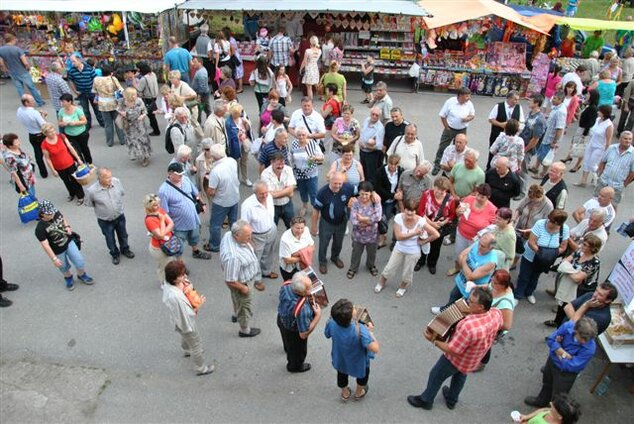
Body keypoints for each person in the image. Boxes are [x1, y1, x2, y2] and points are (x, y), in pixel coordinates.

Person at [408, 288, 502, 411]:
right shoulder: (496, 313)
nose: (467, 302)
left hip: (456, 359)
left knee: (436, 375)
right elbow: (500, 328)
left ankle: (426, 400)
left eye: (471, 302)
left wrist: (433, 340)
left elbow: (453, 350)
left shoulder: (468, 327)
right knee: (461, 376)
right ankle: (452, 400)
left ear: (480, 307)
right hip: (473, 358)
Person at [524, 317, 597, 408]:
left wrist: (558, 350)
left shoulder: (590, 348)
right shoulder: (568, 326)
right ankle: (542, 400)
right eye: (582, 338)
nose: (584, 341)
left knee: (559, 396)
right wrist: (565, 354)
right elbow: (550, 340)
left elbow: (571, 366)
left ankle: (553, 413)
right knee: (547, 383)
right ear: (576, 330)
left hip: (566, 374)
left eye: (587, 339)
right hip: (552, 362)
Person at [375, 199, 439, 297]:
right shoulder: (398, 218)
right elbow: (399, 237)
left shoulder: (421, 221)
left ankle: (402, 287)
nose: (409, 215)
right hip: (399, 248)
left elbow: (436, 234)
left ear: (415, 212)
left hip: (413, 251)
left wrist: (423, 242)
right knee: (389, 268)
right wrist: (415, 233)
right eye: (407, 211)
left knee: (407, 273)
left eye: (412, 213)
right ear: (404, 209)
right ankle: (381, 283)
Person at [161, 260, 215, 376]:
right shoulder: (175, 297)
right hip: (186, 323)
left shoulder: (171, 283)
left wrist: (188, 287)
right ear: (175, 279)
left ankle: (186, 350)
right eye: (181, 274)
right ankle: (201, 368)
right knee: (196, 344)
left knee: (185, 336)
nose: (185, 276)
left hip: (180, 322)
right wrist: (197, 306)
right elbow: (185, 314)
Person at [325, 299, 380, 401]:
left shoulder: (332, 323)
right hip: (359, 361)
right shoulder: (361, 329)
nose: (355, 308)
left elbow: (327, 334)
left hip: (340, 358)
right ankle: (359, 393)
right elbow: (375, 349)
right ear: (351, 318)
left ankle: (345, 393)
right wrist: (371, 333)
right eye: (354, 309)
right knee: (362, 376)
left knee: (341, 375)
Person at [35, 200, 94, 291]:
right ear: (42, 214)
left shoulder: (55, 212)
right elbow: (45, 245)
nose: (53, 215)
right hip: (57, 250)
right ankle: (68, 277)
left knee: (79, 261)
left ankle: (81, 275)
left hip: (69, 242)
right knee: (63, 266)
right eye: (49, 214)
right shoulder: (40, 228)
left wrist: (67, 227)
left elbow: (62, 218)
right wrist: (54, 259)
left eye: (53, 212)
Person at [546, 234, 602, 328]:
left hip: (579, 290)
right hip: (568, 284)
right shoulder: (579, 252)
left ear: (592, 248)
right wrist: (573, 272)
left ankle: (562, 329)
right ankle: (557, 321)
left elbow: (577, 278)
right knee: (562, 305)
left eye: (585, 245)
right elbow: (564, 262)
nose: (581, 246)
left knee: (570, 309)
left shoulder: (594, 262)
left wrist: (567, 269)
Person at [514, 209, 570, 304]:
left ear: (559, 223)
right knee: (524, 275)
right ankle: (518, 294)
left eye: (554, 223)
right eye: (550, 220)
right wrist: (541, 254)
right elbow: (532, 242)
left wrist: (550, 255)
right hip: (531, 255)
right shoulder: (540, 224)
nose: (550, 223)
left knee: (535, 276)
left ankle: (529, 293)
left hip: (545, 260)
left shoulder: (564, 229)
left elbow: (563, 246)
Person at [158, 162, 210, 260]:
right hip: (179, 225)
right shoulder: (163, 191)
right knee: (179, 247)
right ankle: (180, 264)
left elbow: (195, 194)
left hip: (193, 219)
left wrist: (202, 204)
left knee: (194, 237)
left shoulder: (185, 179)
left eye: (182, 173)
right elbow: (164, 212)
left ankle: (195, 251)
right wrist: (168, 228)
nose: (181, 176)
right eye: (179, 175)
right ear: (170, 174)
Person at [219, 220, 261, 338]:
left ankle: (235, 314)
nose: (250, 238)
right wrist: (244, 288)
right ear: (237, 235)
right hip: (241, 282)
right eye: (248, 236)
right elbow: (230, 280)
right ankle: (244, 330)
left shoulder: (229, 235)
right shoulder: (234, 257)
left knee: (235, 298)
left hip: (239, 277)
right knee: (244, 306)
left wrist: (248, 243)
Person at [84, 168, 134, 265]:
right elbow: (90, 204)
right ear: (99, 178)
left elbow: (122, 193)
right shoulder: (92, 191)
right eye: (107, 178)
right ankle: (115, 254)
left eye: (110, 176)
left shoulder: (116, 181)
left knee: (123, 235)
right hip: (105, 221)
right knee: (110, 239)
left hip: (120, 216)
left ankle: (125, 249)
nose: (110, 179)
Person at [447, 184, 497, 276]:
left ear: (488, 197)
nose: (478, 198)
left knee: (472, 257)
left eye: (482, 197)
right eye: (477, 194)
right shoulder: (469, 199)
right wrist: (458, 212)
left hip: (476, 240)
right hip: (462, 233)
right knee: (459, 253)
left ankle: (467, 273)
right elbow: (457, 212)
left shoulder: (492, 209)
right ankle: (457, 268)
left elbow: (493, 227)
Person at [277, 271, 322, 373]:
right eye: (310, 288)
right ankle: (295, 367)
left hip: (281, 319)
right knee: (297, 352)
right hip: (294, 331)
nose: (312, 290)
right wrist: (317, 316)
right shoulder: (303, 309)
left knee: (286, 340)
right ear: (301, 292)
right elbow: (303, 334)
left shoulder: (287, 285)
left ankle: (287, 349)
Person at [311, 172, 355, 274]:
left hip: (341, 222)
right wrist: (314, 227)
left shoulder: (347, 187)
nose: (338, 186)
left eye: (340, 183)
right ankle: (322, 262)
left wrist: (373, 193)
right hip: (326, 222)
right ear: (330, 181)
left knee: (338, 242)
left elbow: (361, 190)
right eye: (335, 183)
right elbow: (315, 211)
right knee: (323, 244)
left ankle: (335, 258)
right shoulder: (322, 193)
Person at [241, 181, 279, 291]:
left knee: (269, 252)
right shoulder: (247, 205)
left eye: (266, 192)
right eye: (261, 193)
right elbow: (244, 225)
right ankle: (257, 279)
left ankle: (266, 271)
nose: (265, 195)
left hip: (271, 230)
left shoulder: (269, 197)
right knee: (255, 258)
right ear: (255, 193)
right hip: (256, 236)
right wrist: (249, 241)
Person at [416, 176, 456, 274]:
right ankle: (420, 261)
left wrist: (443, 223)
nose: (439, 192)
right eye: (438, 188)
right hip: (425, 225)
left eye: (443, 190)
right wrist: (431, 224)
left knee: (436, 247)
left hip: (439, 227)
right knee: (423, 242)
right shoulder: (426, 194)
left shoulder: (450, 199)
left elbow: (452, 215)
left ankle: (432, 263)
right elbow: (420, 211)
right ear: (434, 186)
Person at [477, 269, 515, 371]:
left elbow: (507, 325)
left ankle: (482, 364)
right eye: (492, 280)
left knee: (486, 345)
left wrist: (490, 323)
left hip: (493, 328)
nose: (492, 284)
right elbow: (488, 287)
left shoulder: (506, 302)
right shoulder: (495, 286)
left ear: (503, 286)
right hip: (486, 320)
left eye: (495, 283)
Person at [205, 144, 240, 252]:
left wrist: (207, 181)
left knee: (215, 225)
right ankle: (236, 242)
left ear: (214, 157)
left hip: (221, 201)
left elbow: (211, 191)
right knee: (233, 223)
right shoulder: (232, 161)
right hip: (234, 197)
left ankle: (214, 245)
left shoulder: (216, 171)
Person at [432, 88, 476, 175]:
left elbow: (472, 115)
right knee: (443, 147)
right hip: (450, 129)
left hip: (462, 130)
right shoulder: (450, 102)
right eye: (467, 96)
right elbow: (442, 115)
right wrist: (446, 127)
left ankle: (457, 165)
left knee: (460, 148)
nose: (469, 98)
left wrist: (468, 119)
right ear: (460, 96)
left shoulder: (469, 104)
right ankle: (438, 165)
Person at [40, 123, 85, 205]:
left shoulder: (61, 137)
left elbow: (70, 148)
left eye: (53, 130)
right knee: (66, 181)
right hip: (58, 166)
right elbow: (47, 158)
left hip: (70, 163)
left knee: (75, 180)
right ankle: (72, 193)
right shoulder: (44, 144)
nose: (53, 133)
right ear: (45, 133)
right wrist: (53, 170)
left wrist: (78, 159)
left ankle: (80, 196)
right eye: (50, 132)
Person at [512, 184, 555, 269]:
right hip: (521, 227)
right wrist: (513, 220)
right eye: (532, 199)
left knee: (526, 249)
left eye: (536, 200)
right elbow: (519, 209)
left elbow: (547, 224)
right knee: (517, 245)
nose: (533, 201)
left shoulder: (548, 206)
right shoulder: (528, 198)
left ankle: (524, 265)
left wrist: (532, 230)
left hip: (533, 232)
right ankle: (514, 262)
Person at [347, 181, 382, 279]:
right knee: (356, 253)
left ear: (371, 193)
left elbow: (378, 217)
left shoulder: (376, 202)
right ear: (358, 192)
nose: (364, 197)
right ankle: (353, 268)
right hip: (358, 235)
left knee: (372, 253)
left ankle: (371, 266)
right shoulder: (355, 203)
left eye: (366, 194)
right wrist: (369, 220)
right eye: (362, 194)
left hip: (373, 235)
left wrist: (363, 219)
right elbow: (353, 219)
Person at [575, 105, 615, 187]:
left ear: (604, 113)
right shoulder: (597, 120)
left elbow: (608, 141)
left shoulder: (609, 125)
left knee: (592, 164)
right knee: (586, 161)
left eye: (599, 111)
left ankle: (602, 177)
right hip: (591, 144)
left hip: (600, 147)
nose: (598, 112)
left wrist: (607, 153)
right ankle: (583, 180)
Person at [0, 33, 45, 106]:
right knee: (31, 87)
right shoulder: (17, 49)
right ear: (12, 40)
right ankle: (39, 102)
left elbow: (1, 62)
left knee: (20, 89)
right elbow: (25, 62)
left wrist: (5, 68)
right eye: (15, 39)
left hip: (12, 72)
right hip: (22, 71)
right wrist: (28, 67)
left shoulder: (1, 49)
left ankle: (25, 104)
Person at [530, 92, 567, 178]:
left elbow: (559, 128)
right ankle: (535, 167)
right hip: (546, 135)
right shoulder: (556, 108)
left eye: (554, 98)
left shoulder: (561, 112)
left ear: (560, 100)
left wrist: (555, 141)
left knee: (546, 157)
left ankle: (543, 173)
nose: (552, 100)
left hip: (551, 138)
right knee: (540, 152)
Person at [519, 95, 547, 197]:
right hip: (522, 144)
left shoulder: (539, 120)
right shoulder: (530, 114)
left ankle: (522, 192)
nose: (528, 102)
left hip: (528, 148)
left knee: (523, 170)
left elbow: (535, 139)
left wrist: (526, 149)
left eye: (531, 100)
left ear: (536, 103)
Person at [143, 193, 176, 284]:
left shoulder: (160, 210)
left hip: (167, 242)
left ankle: (167, 280)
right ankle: (164, 282)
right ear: (149, 206)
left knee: (168, 263)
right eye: (155, 205)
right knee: (164, 266)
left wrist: (163, 233)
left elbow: (171, 223)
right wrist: (162, 221)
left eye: (158, 204)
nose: (158, 206)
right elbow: (160, 235)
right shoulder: (149, 220)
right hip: (159, 248)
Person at [487, 91, 524, 168]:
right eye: (515, 99)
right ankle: (490, 169)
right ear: (509, 98)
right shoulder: (498, 106)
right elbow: (491, 119)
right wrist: (501, 124)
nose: (517, 101)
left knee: (509, 155)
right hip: (497, 134)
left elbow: (521, 121)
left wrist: (516, 127)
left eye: (518, 100)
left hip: (512, 136)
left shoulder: (519, 107)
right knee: (493, 152)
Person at [596, 131, 634, 206]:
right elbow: (603, 161)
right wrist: (600, 174)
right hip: (603, 182)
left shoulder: (633, 153)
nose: (628, 141)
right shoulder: (611, 148)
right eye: (625, 138)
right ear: (620, 139)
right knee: (597, 201)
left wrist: (625, 183)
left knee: (613, 205)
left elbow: (633, 172)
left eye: (630, 139)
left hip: (617, 186)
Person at [93, 64, 126, 147]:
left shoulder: (96, 79)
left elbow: (94, 91)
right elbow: (121, 90)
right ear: (111, 72)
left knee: (108, 124)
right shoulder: (113, 79)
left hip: (102, 104)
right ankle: (122, 140)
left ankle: (110, 142)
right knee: (118, 122)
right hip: (114, 103)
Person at [375, 154, 404, 248]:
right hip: (381, 199)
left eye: (395, 164)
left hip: (392, 202)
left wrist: (399, 193)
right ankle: (381, 237)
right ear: (387, 162)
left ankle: (383, 237)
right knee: (380, 218)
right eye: (391, 164)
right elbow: (378, 188)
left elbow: (401, 185)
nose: (392, 166)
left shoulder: (401, 172)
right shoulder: (380, 171)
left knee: (385, 219)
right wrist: (392, 195)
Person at [117, 87, 152, 167]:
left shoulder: (139, 101)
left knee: (142, 141)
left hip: (139, 125)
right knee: (133, 141)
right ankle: (137, 154)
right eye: (134, 94)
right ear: (130, 95)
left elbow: (145, 111)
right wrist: (122, 113)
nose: (136, 95)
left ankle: (145, 157)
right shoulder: (122, 102)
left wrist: (142, 116)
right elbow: (118, 109)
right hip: (128, 125)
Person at [261, 152, 297, 229]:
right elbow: (269, 194)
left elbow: (291, 190)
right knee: (271, 229)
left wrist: (275, 194)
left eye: (282, 164)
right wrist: (287, 192)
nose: (281, 167)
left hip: (287, 204)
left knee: (292, 227)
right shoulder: (265, 174)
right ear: (272, 162)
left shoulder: (288, 169)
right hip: (272, 205)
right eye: (278, 165)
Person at [67, 53, 103, 128]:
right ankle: (88, 125)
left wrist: (96, 91)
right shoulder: (72, 71)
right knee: (85, 110)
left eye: (74, 61)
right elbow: (70, 80)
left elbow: (95, 79)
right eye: (71, 62)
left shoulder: (88, 68)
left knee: (97, 108)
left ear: (79, 60)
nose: (72, 63)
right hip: (81, 93)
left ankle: (102, 123)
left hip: (91, 92)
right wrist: (75, 91)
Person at [16, 94, 47, 177]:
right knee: (50, 151)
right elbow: (44, 125)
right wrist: (43, 115)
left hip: (31, 134)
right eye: (32, 101)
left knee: (38, 154)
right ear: (26, 103)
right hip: (41, 134)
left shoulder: (19, 110)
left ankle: (43, 173)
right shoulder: (34, 113)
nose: (34, 102)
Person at [278, 217, 314, 281]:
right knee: (291, 286)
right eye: (297, 228)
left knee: (304, 284)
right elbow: (287, 260)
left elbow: (312, 247)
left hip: (303, 266)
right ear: (291, 226)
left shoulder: (306, 230)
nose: (300, 231)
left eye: (302, 228)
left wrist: (297, 254)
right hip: (290, 270)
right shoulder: (285, 239)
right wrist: (304, 257)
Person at [58, 93, 90, 165]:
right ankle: (81, 163)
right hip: (70, 134)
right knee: (76, 150)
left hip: (81, 133)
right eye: (61, 101)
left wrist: (75, 123)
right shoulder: (61, 111)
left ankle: (89, 162)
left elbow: (84, 121)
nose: (61, 103)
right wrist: (63, 124)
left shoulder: (78, 110)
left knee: (84, 148)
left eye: (63, 102)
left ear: (69, 102)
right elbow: (59, 122)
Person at [226, 103, 253, 186]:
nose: (238, 115)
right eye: (236, 114)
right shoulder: (228, 122)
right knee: (236, 162)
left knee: (244, 161)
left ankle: (245, 178)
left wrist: (246, 124)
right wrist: (238, 134)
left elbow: (248, 130)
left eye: (239, 113)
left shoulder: (242, 119)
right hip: (235, 145)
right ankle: (236, 178)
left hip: (244, 143)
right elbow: (229, 135)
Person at [358, 107, 385, 183]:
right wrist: (360, 141)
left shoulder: (380, 128)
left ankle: (370, 191)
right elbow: (362, 131)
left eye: (377, 115)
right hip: (362, 152)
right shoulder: (366, 120)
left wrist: (366, 146)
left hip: (372, 155)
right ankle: (363, 191)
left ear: (379, 117)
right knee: (362, 172)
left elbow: (379, 146)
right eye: (373, 114)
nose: (374, 116)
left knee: (371, 175)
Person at [190, 57, 211, 125]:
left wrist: (199, 96)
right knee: (206, 108)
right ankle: (209, 122)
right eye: (193, 62)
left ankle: (198, 124)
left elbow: (202, 87)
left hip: (202, 94)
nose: (193, 64)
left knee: (199, 109)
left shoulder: (201, 73)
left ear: (200, 63)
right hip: (204, 93)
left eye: (195, 62)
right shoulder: (200, 70)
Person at [299, 36, 321, 100]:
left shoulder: (308, 51)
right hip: (315, 68)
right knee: (316, 84)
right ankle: (321, 95)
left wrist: (301, 69)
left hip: (309, 68)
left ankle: (310, 101)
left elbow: (304, 61)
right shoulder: (319, 51)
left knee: (309, 88)